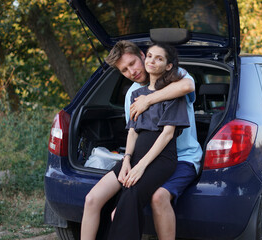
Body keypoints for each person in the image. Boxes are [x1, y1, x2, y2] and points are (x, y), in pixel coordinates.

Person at [81, 43, 191, 240]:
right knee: (92, 199)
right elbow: (133, 132)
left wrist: (148, 100)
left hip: (174, 156)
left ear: (141, 56)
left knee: (138, 203)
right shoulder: (133, 94)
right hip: (138, 155)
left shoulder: (174, 78)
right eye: (124, 70)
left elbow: (187, 87)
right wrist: (126, 161)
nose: (131, 72)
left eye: (133, 63)